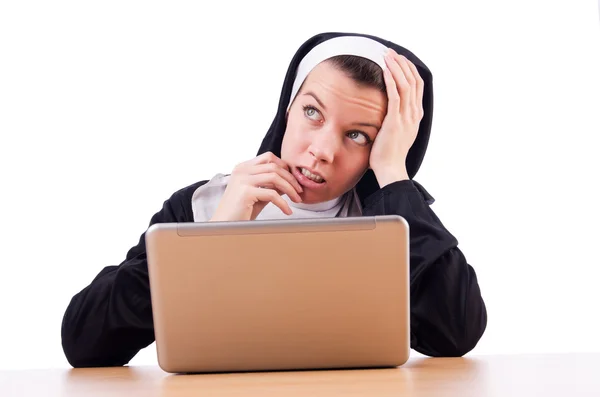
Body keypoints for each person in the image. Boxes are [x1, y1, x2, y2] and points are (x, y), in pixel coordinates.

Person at [61, 32, 487, 368]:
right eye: (312, 112)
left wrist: (394, 174)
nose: (322, 150)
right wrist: (210, 238)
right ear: (287, 108)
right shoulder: (204, 206)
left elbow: (458, 332)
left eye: (358, 135)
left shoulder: (394, 224)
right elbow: (84, 341)